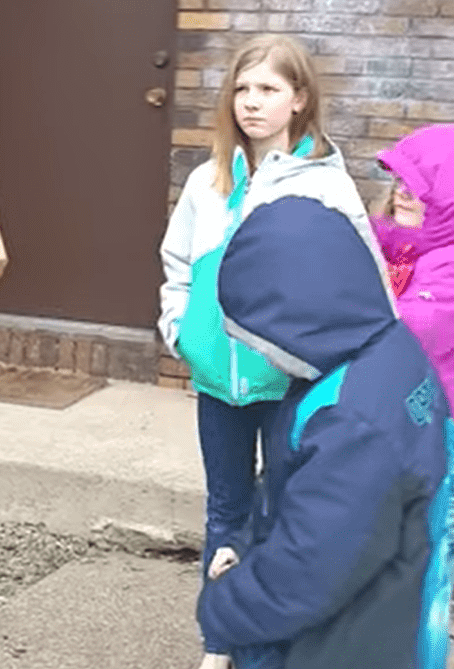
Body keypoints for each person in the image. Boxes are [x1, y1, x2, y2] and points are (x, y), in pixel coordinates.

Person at [156, 33, 381, 669]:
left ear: (299, 100)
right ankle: (220, 642)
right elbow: (176, 264)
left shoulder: (325, 188)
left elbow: (365, 289)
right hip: (217, 384)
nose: (251, 103)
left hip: (291, 388)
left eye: (269, 90)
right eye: (243, 89)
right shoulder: (208, 179)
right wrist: (182, 332)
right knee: (225, 509)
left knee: (282, 517)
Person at [200, 187, 454, 669]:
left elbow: (309, 572)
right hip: (388, 611)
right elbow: (306, 487)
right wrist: (245, 544)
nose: (261, 352)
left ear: (298, 318)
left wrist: (222, 609)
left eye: (261, 339)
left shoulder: (352, 420)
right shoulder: (382, 350)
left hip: (345, 645)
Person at [370, 124, 454, 449]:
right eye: (400, 180)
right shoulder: (392, 247)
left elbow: (405, 335)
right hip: (379, 416)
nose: (402, 192)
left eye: (420, 186)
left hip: (421, 431)